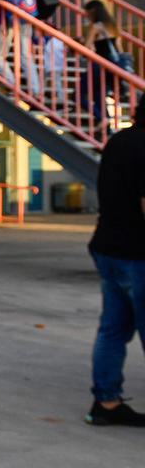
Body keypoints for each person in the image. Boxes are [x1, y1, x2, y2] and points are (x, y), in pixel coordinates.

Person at [86, 96, 145, 427]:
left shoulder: (118, 140)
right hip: (138, 255)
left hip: (107, 247)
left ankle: (105, 402)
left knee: (113, 328)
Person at [81, 0, 123, 127]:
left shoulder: (96, 26)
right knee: (99, 93)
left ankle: (101, 117)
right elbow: (119, 49)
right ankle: (106, 123)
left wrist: (84, 43)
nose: (86, 16)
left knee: (78, 95)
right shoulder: (113, 26)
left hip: (99, 65)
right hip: (112, 66)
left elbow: (86, 48)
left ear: (92, 12)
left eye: (87, 13)